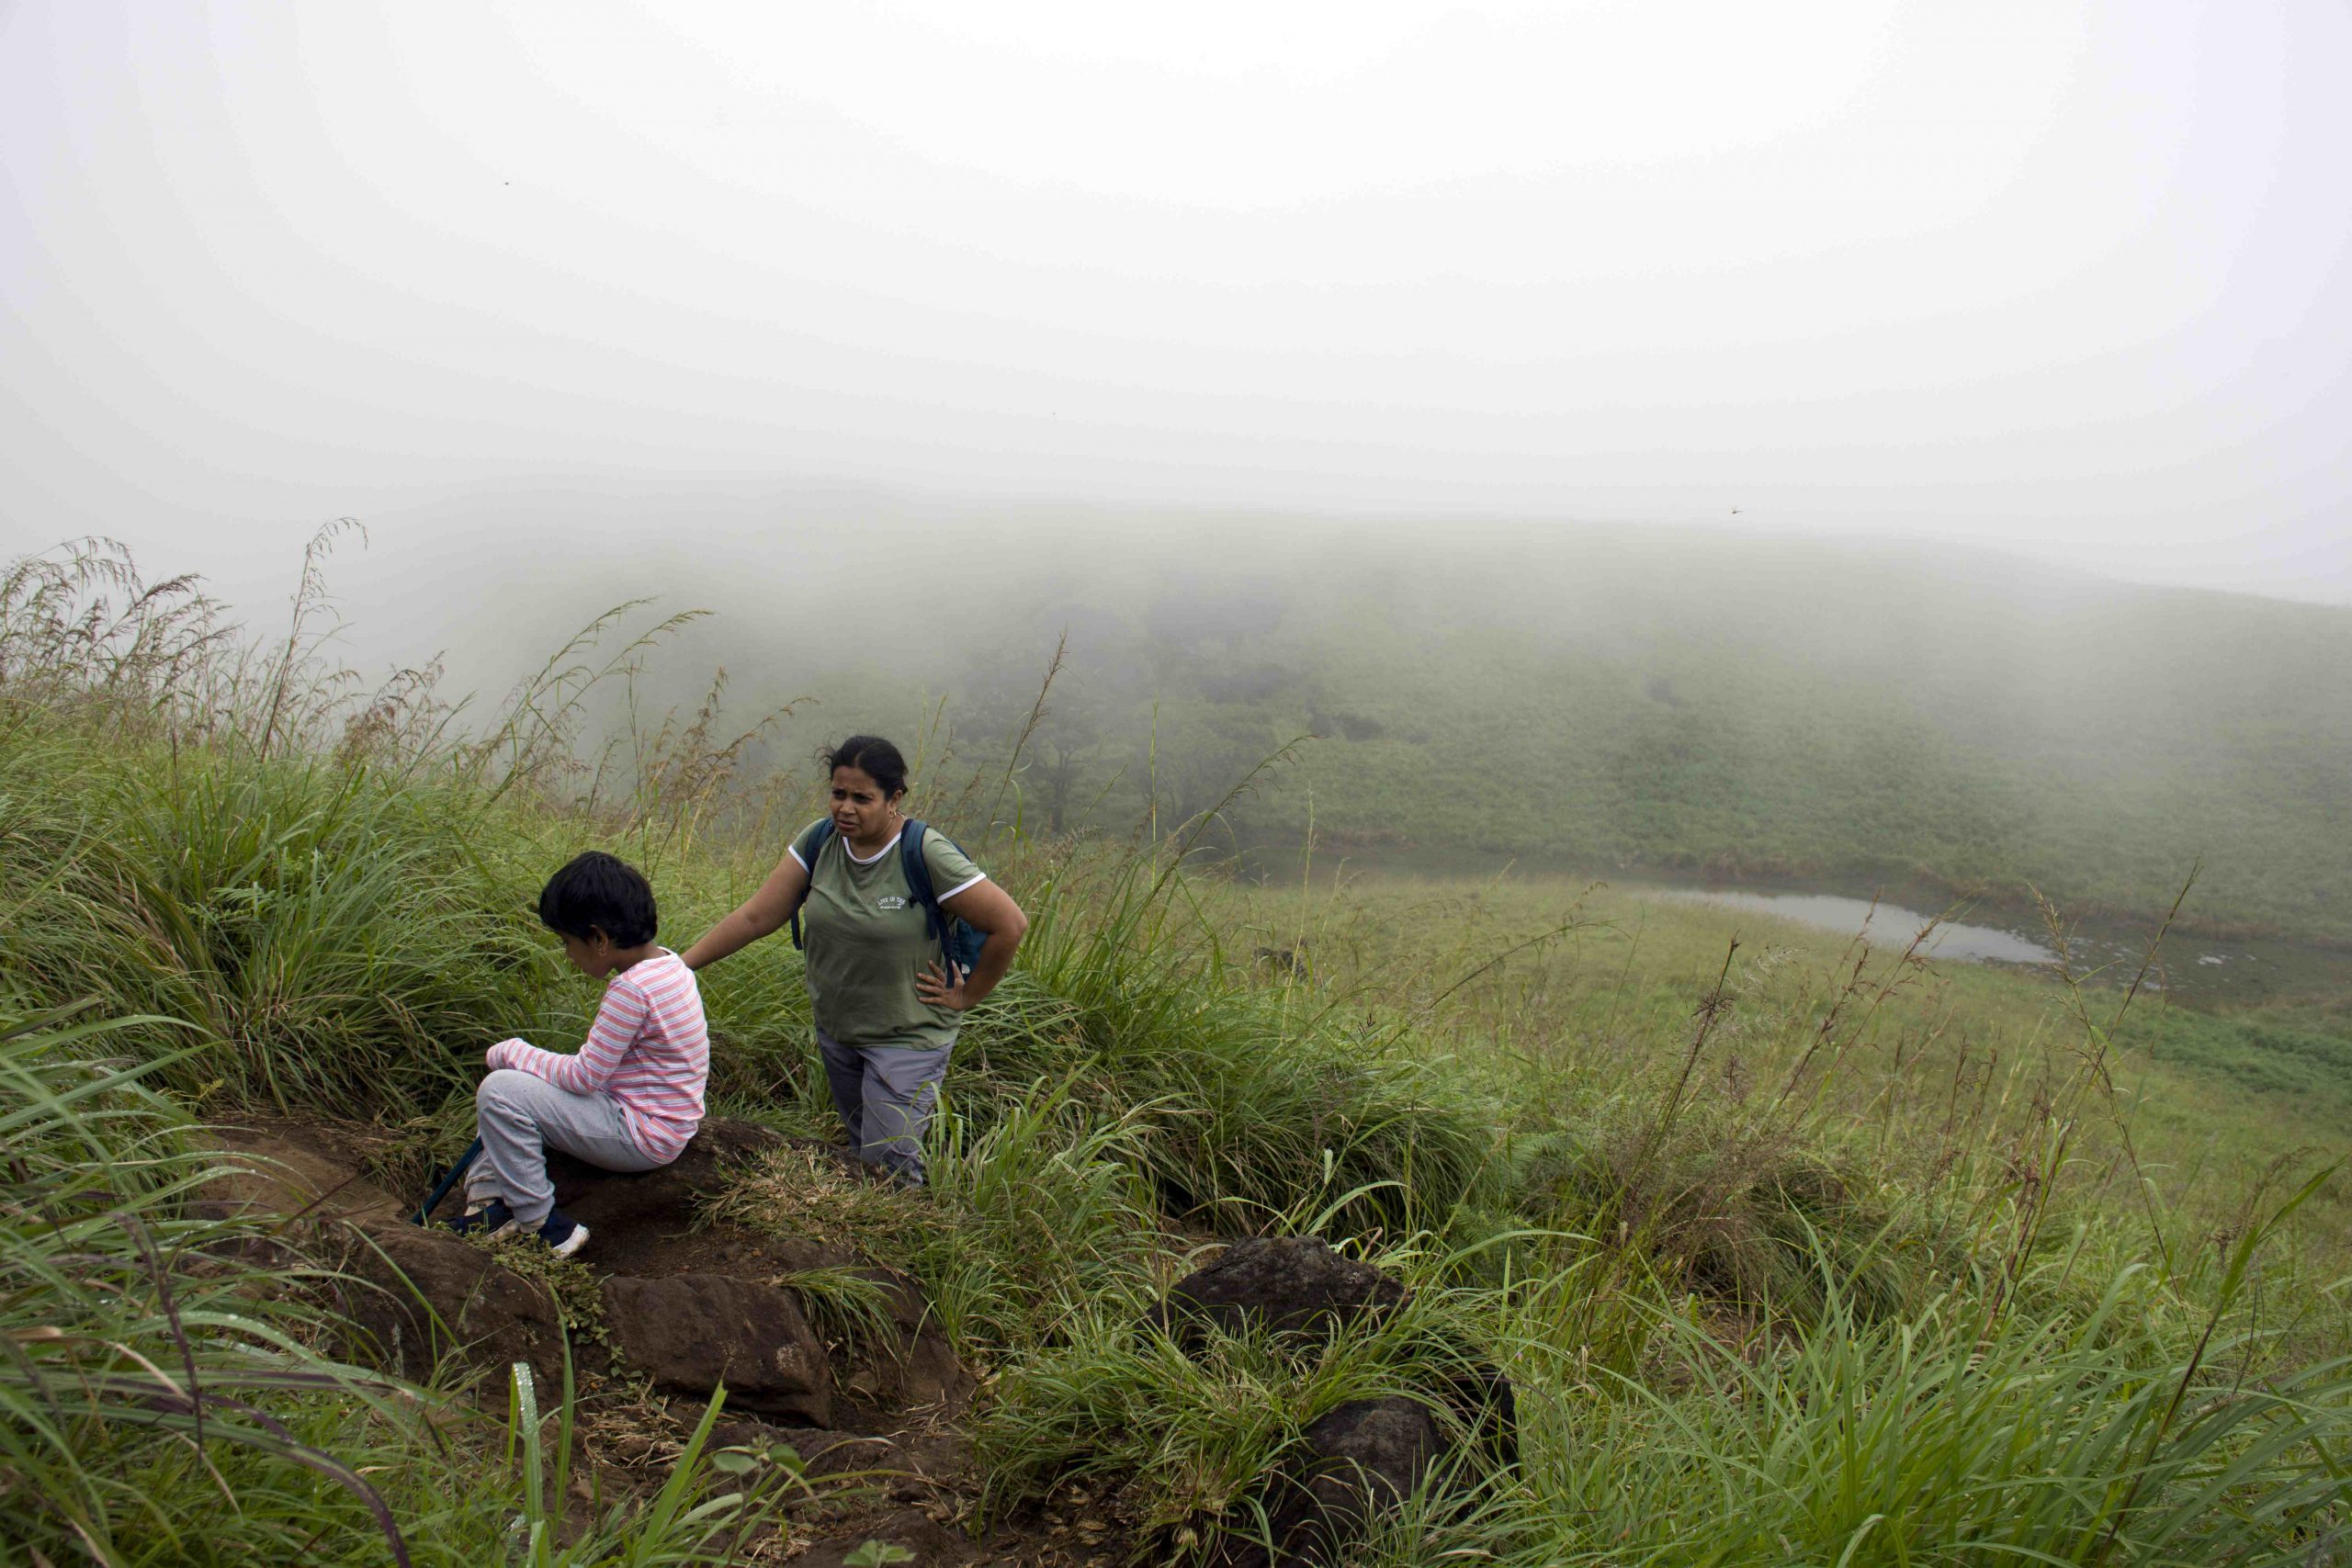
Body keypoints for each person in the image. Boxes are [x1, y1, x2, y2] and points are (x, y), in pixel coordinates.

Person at [682, 734, 1027, 1186]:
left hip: (907, 1036)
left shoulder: (924, 853)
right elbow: (756, 915)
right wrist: (679, 965)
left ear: (894, 799)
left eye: (862, 798)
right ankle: (864, 1243)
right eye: (838, 794)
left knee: (890, 1168)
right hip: (839, 1029)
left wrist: (969, 995)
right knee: (862, 1146)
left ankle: (910, 1247)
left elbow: (1010, 923)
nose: (846, 808)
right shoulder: (820, 841)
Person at [448, 851, 709, 1256]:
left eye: (568, 942)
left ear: (599, 939)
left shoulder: (632, 991)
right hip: (660, 1122)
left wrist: (515, 1051)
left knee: (500, 1089)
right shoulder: (671, 966)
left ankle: (541, 1225)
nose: (568, 955)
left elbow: (584, 1077)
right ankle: (486, 1206)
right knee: (518, 1087)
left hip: (640, 1133)